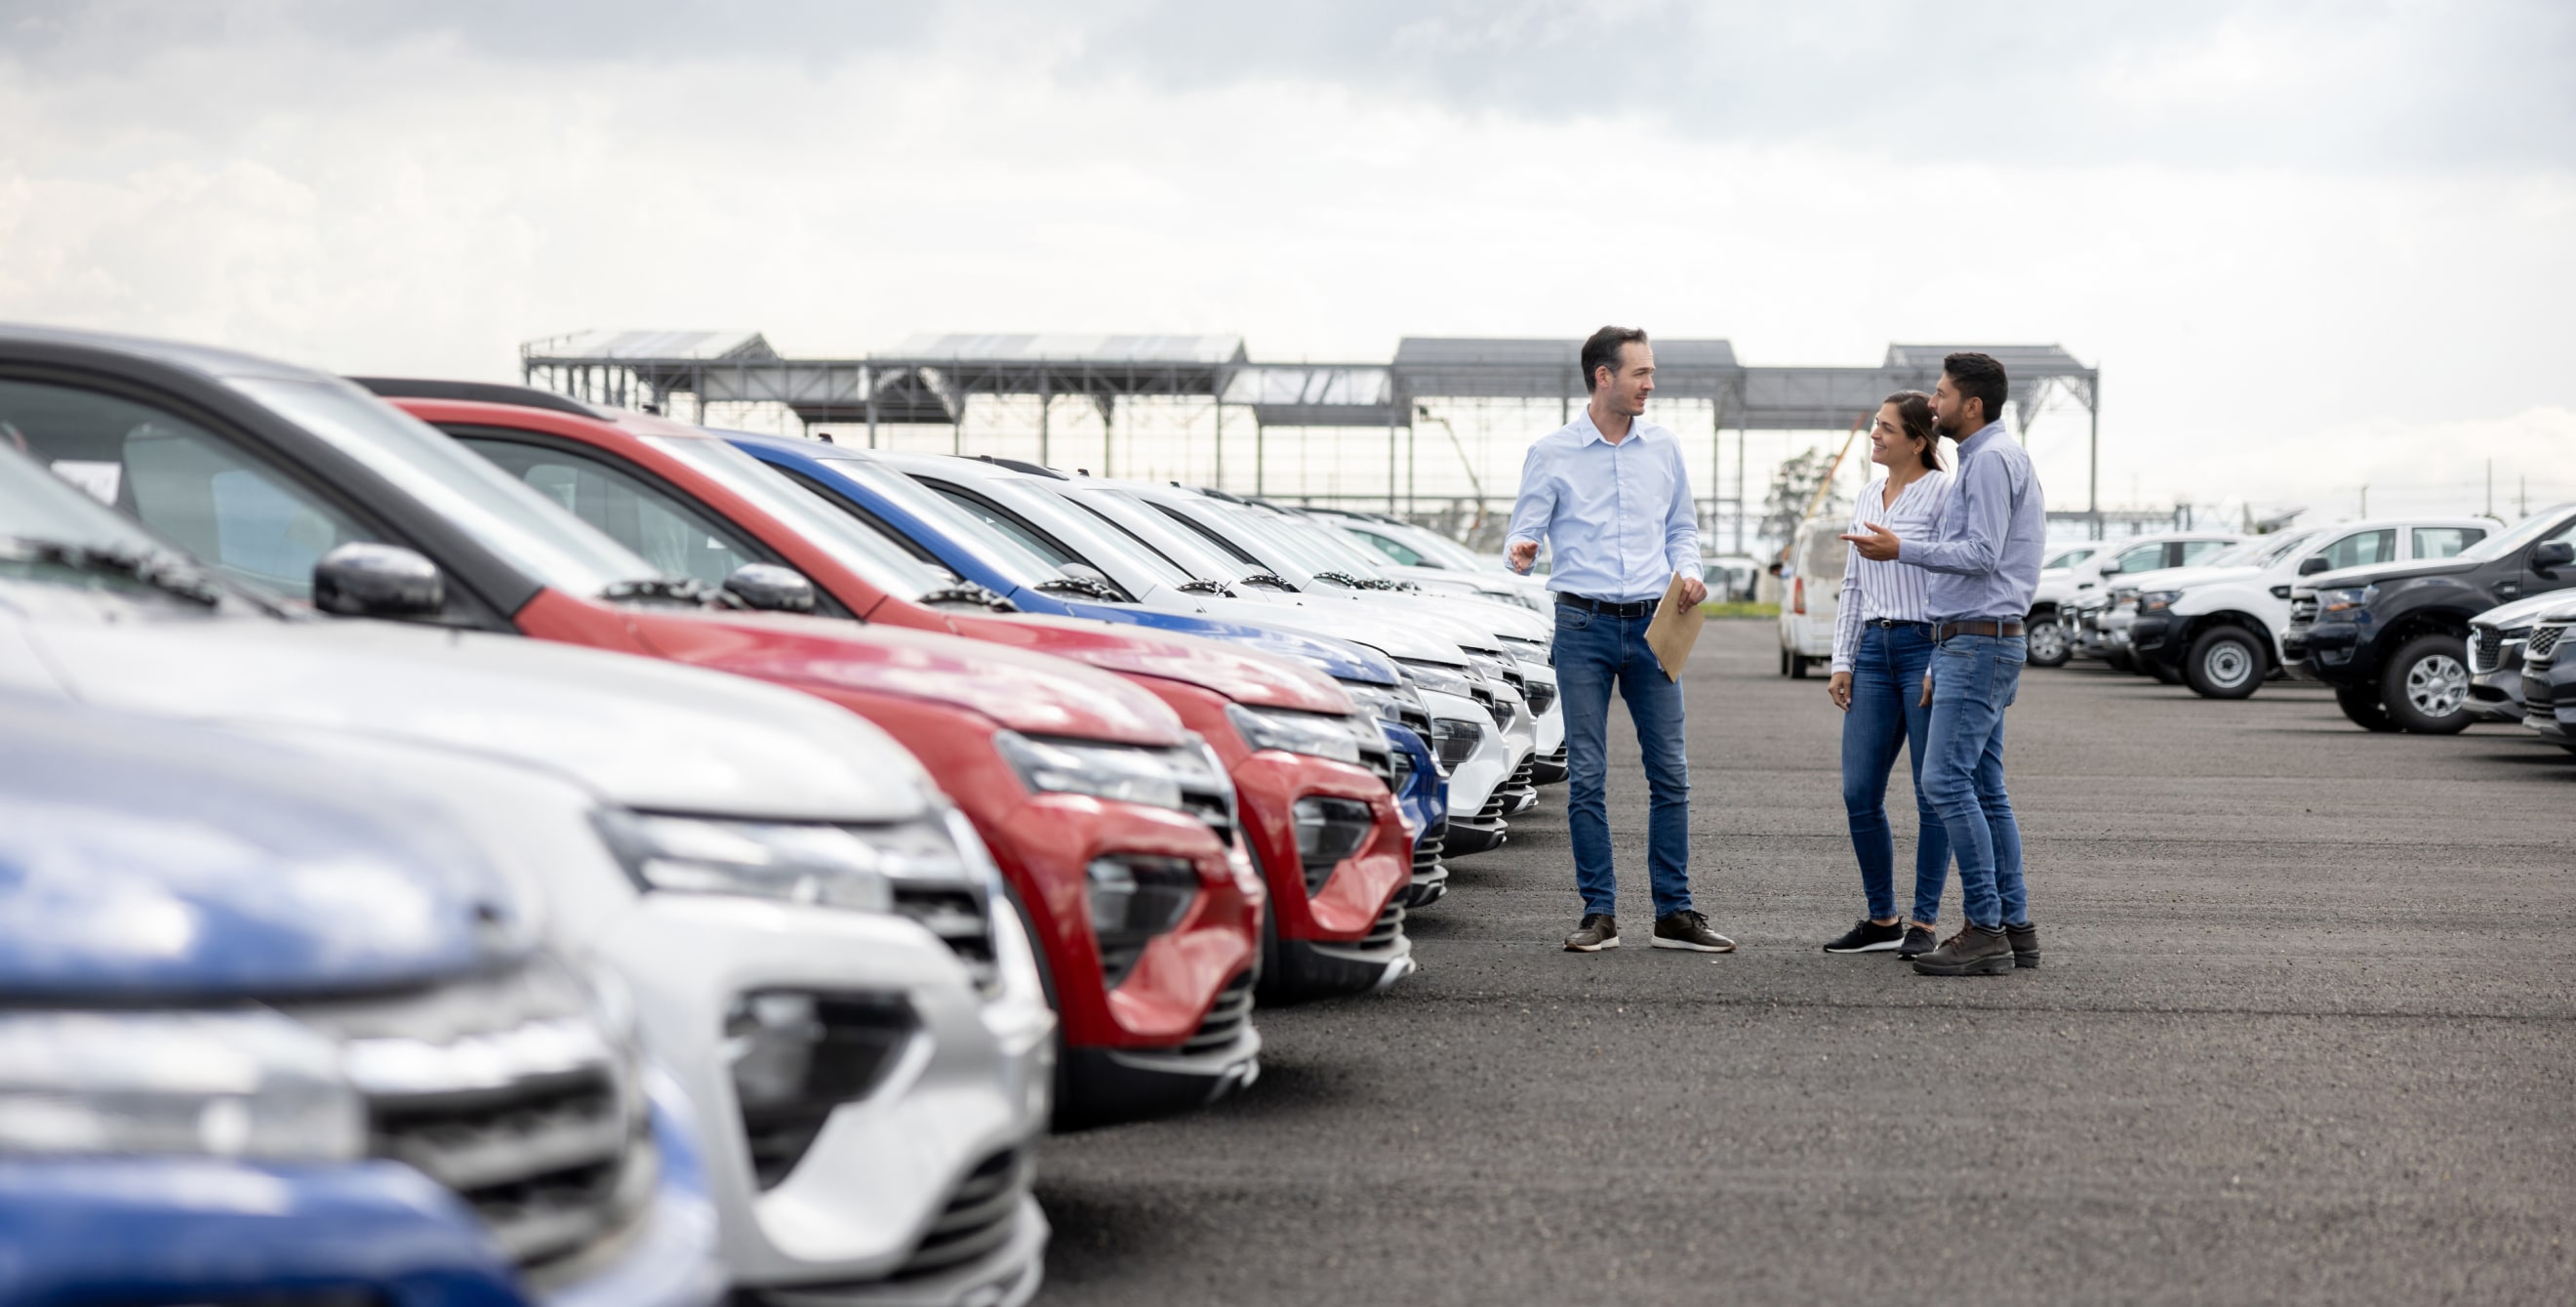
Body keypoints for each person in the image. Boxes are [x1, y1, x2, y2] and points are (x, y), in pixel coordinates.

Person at [1505, 326, 1732, 955]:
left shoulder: (1662, 448)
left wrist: (1690, 573)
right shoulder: (1551, 453)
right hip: (1582, 627)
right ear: (1604, 377)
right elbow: (1520, 538)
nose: (1650, 385)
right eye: (1641, 374)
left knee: (1671, 773)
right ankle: (1598, 911)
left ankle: (1674, 913)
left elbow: (1682, 528)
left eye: (1651, 373)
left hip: (1656, 626)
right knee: (1588, 776)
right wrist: (1522, 552)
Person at [1841, 351, 2046, 977]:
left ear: (1971, 405)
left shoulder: (1985, 462)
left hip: (1977, 640)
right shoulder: (2001, 457)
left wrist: (1903, 549)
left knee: (1947, 786)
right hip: (1980, 638)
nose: (1934, 404)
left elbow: (1981, 554)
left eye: (1941, 394)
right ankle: (2016, 929)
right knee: (1985, 789)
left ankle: (1984, 928)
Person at [1821, 392, 1954, 959]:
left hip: (1925, 645)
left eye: (1885, 428)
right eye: (1876, 426)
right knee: (1858, 791)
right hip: (1873, 648)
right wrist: (1842, 659)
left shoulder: (1945, 493)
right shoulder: (1867, 493)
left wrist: (1942, 659)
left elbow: (1955, 575)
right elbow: (1853, 583)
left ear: (1918, 440)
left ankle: (1924, 923)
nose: (1874, 435)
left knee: (1933, 794)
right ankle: (1883, 920)